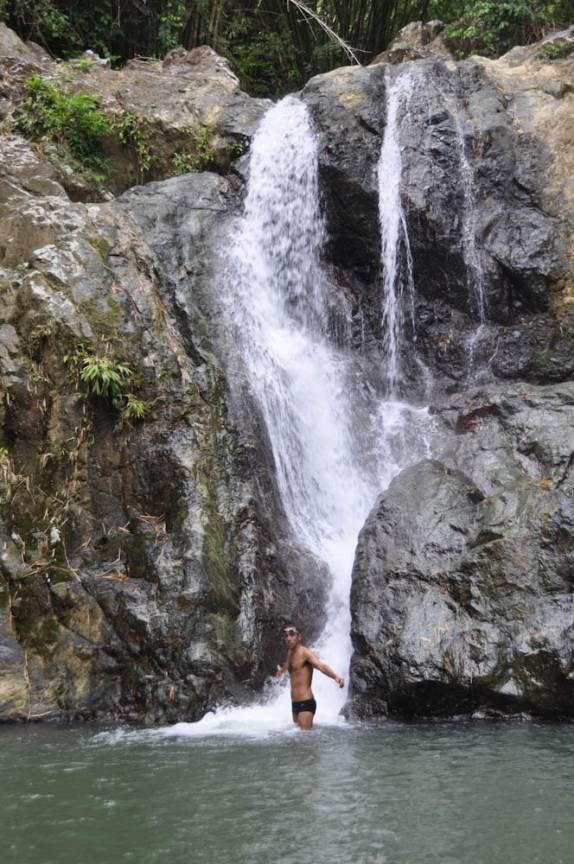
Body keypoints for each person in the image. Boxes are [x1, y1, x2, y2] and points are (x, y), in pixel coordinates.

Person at [275, 625, 345, 729]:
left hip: (306, 703)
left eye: (291, 634)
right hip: (295, 704)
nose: (288, 638)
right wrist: (281, 670)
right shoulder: (290, 652)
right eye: (286, 636)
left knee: (304, 740)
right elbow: (288, 665)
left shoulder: (305, 653)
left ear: (299, 637)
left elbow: (321, 666)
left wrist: (336, 677)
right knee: (298, 739)